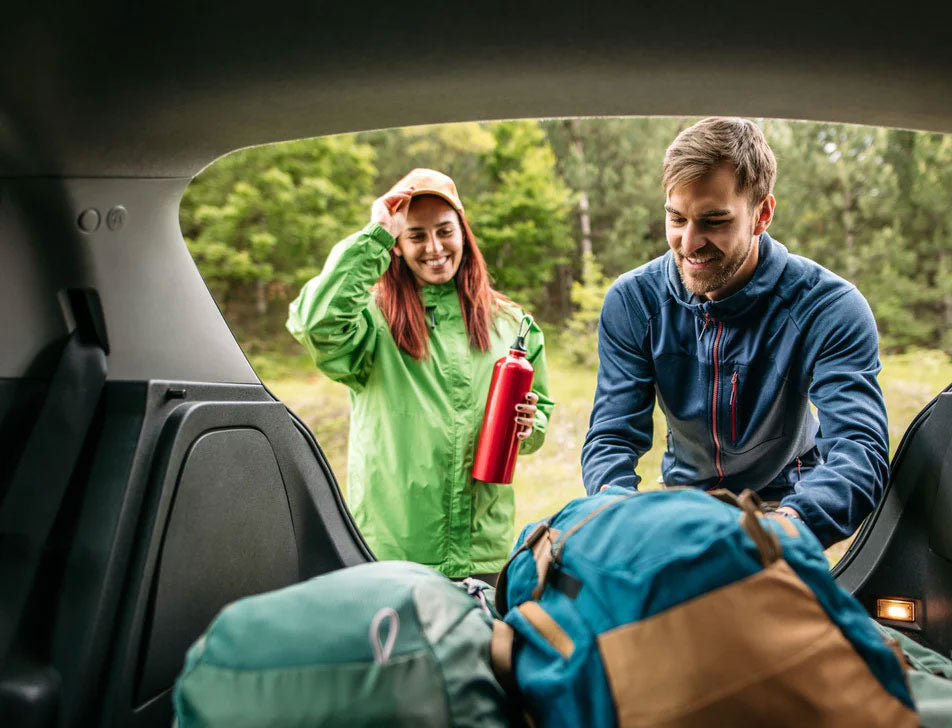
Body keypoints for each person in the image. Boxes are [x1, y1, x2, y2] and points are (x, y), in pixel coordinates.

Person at [581, 118, 888, 548]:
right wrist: (619, 514)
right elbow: (612, 436)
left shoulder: (829, 307)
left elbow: (859, 451)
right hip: (685, 504)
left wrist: (781, 531)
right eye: (676, 218)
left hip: (790, 504)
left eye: (713, 221)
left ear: (762, 214)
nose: (688, 244)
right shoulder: (633, 301)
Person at [288, 168, 553, 582]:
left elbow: (539, 418)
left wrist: (528, 424)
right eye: (415, 236)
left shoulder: (511, 323)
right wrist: (375, 234)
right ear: (396, 245)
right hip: (392, 548)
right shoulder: (372, 320)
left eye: (445, 231)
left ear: (463, 233)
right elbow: (315, 322)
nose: (434, 247)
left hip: (484, 550)